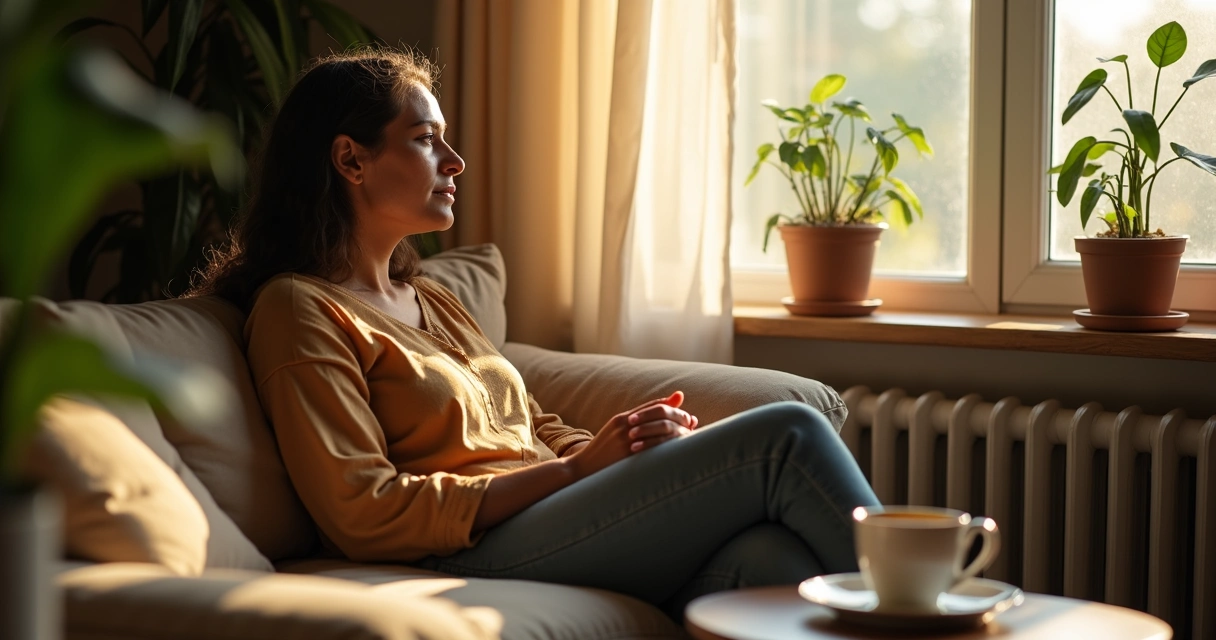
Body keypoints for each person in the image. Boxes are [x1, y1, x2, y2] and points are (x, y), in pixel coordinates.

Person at [190, 48, 879, 618]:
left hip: (548, 508)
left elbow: (532, 424)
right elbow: (363, 512)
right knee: (785, 436)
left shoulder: (430, 296)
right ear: (351, 160)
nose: (454, 161)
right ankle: (948, 618)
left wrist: (634, 456)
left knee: (771, 562)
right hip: (466, 543)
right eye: (428, 140)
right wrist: (579, 470)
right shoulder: (298, 310)